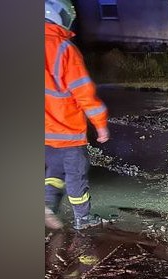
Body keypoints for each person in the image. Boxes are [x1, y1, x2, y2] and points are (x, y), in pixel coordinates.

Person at [45, 0, 110, 230]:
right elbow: (83, 92)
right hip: (69, 131)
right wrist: (100, 124)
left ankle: (47, 205)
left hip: (45, 134)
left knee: (53, 172)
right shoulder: (64, 50)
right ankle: (83, 218)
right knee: (76, 175)